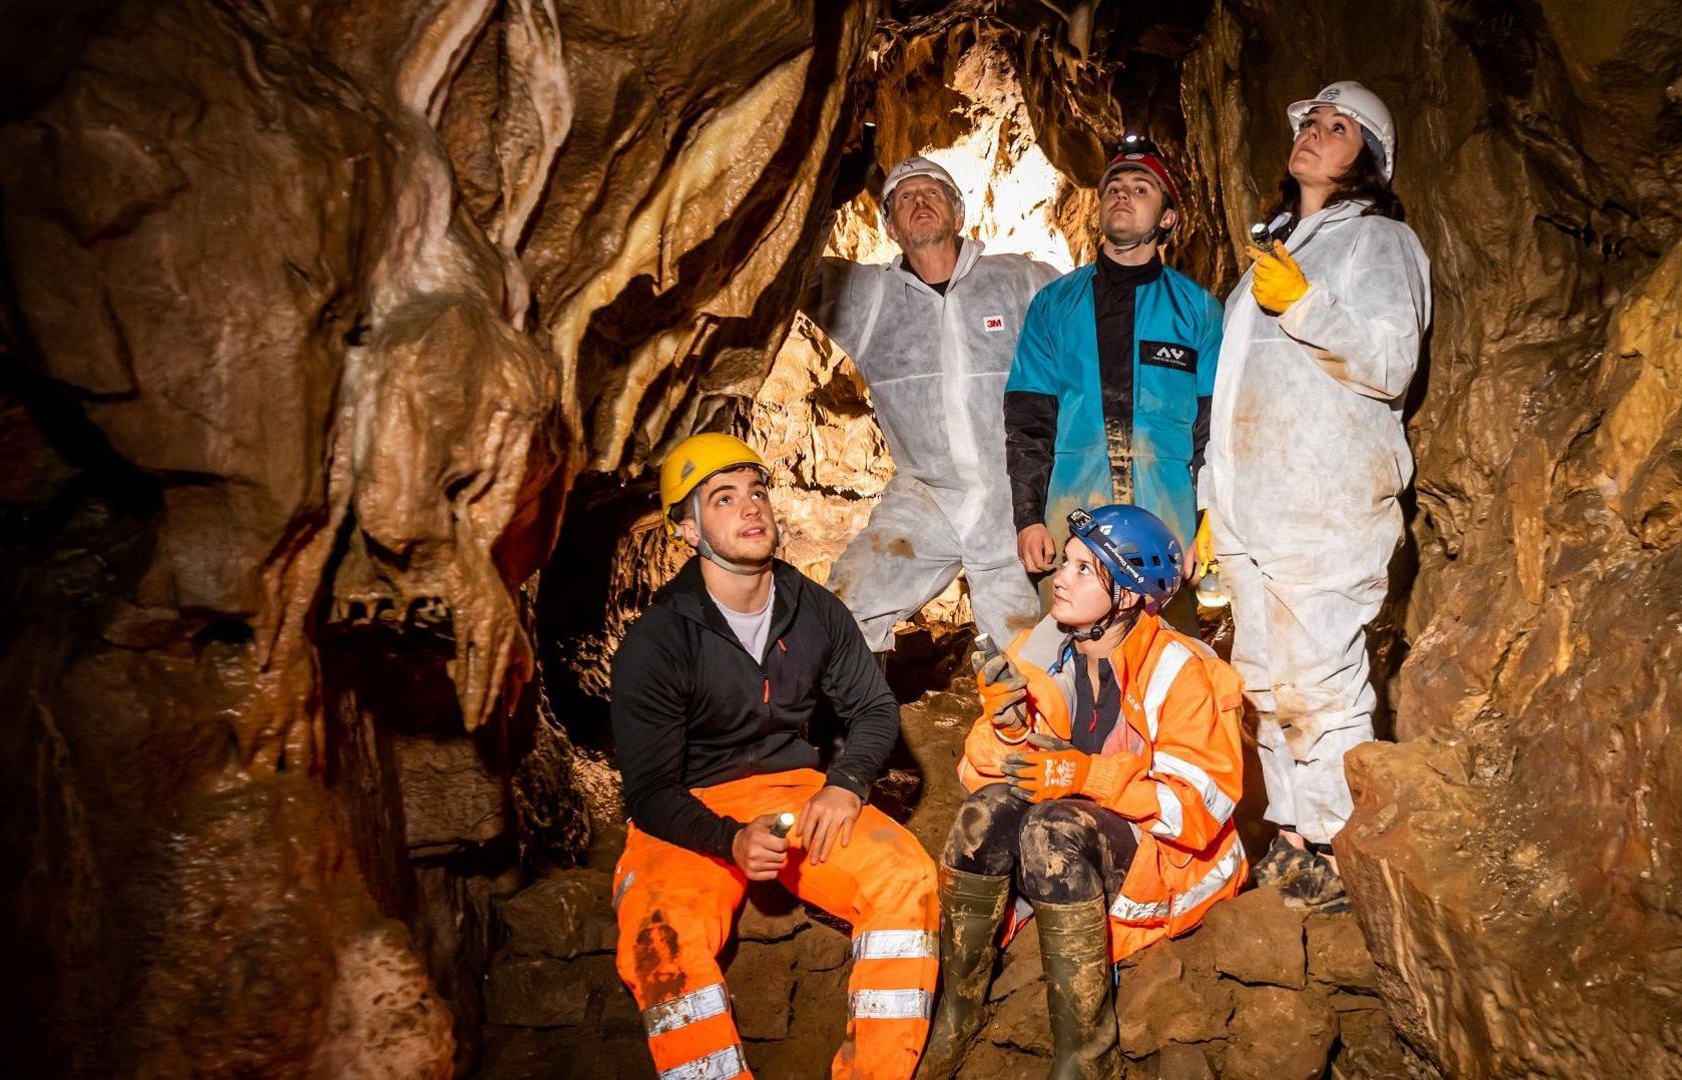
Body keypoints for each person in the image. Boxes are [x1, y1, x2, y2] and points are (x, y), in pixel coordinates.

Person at [609, 433, 939, 1080]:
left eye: (756, 492)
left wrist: (845, 784)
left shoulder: (813, 611)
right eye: (723, 499)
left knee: (906, 877)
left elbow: (872, 709)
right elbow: (648, 791)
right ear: (687, 528)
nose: (751, 508)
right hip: (688, 807)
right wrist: (728, 841)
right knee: (661, 936)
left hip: (795, 791)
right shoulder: (657, 642)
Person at [1201, 80, 1432, 911]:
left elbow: (1390, 361)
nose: (1314, 134)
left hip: (1325, 505)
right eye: (1309, 122)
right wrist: (1209, 498)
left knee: (1324, 687)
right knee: (1266, 684)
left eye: (1338, 129)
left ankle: (1339, 852)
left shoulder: (1380, 243)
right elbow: (1235, 393)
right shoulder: (1269, 258)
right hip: (1250, 509)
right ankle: (1295, 837)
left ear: (1366, 159)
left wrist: (1305, 305)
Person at [916, 505, 1248, 1079]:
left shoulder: (1183, 672)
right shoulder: (1048, 648)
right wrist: (1010, 729)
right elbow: (976, 772)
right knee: (981, 814)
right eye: (1065, 563)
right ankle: (958, 1012)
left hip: (1168, 859)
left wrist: (1084, 777)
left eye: (1084, 570)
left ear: (1125, 597)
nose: (1060, 579)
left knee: (1052, 829)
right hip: (1080, 834)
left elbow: (1197, 809)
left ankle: (1087, 1058)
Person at [808, 156, 1056, 658]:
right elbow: (782, 269)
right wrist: (824, 199)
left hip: (1018, 500)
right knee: (843, 611)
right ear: (891, 226)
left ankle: (1023, 729)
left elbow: (1097, 337)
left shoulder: (1021, 281)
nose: (920, 202)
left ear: (959, 215)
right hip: (926, 498)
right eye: (905, 197)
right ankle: (856, 733)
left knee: (1033, 660)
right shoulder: (869, 298)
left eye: (933, 193)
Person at [1004, 138, 1224, 633]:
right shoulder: (1053, 306)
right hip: (1072, 510)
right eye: (1114, 188)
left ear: (1167, 218)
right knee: (1068, 664)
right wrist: (1028, 517)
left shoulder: (1199, 312)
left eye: (1141, 189)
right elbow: (1028, 422)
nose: (1123, 195)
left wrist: (1208, 524)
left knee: (1163, 663)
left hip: (1167, 516)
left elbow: (1215, 433)